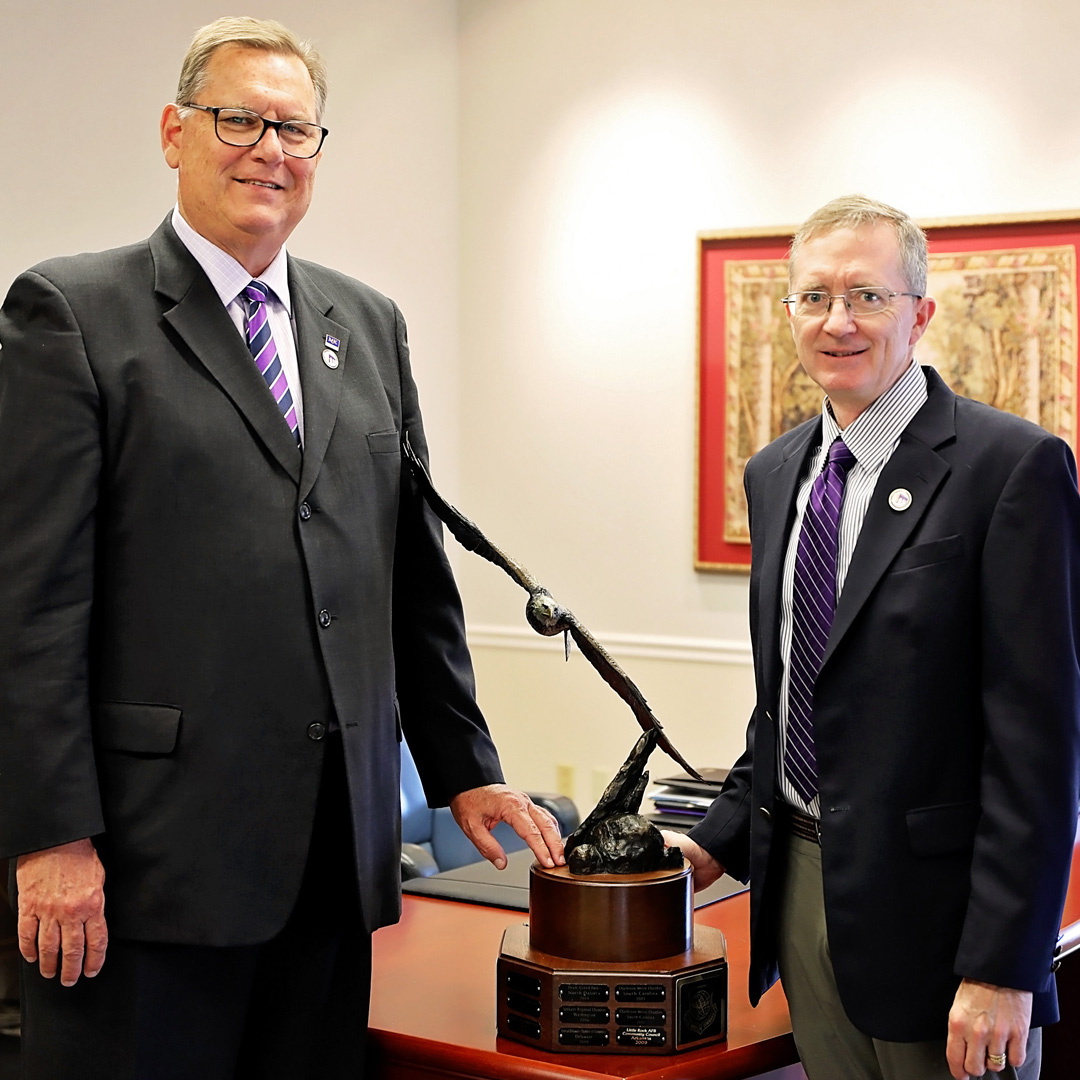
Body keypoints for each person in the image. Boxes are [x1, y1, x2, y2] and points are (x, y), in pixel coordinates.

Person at [0, 16, 563, 1079]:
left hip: (328, 867)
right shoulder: (72, 313)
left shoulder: (370, 323)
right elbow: (29, 606)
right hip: (144, 866)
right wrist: (51, 838)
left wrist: (464, 773)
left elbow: (410, 576)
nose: (271, 149)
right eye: (239, 120)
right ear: (175, 133)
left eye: (296, 129)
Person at [666, 195, 1080, 1080]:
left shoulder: (1011, 468)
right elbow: (792, 699)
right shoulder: (778, 473)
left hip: (945, 922)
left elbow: (1039, 747)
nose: (837, 322)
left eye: (867, 297)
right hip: (802, 898)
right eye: (813, 298)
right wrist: (717, 836)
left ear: (921, 313)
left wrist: (1006, 965)